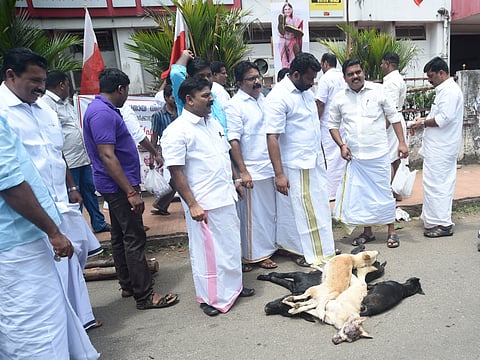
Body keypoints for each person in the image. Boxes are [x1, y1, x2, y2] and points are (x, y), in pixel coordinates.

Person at [0, 47, 103, 331]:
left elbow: (57, 153)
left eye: (43, 81)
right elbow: (10, 179)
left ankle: (79, 321)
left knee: (74, 260)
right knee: (46, 279)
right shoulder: (2, 112)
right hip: (28, 214)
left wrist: (71, 186)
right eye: (34, 81)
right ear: (11, 75)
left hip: (61, 201)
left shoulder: (45, 108)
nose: (41, 87)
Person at [0, 113, 99, 360]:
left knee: (37, 317)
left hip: (21, 236)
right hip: (17, 240)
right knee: (37, 325)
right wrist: (53, 231)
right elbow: (11, 185)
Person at [83, 68, 178, 310]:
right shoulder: (102, 114)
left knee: (119, 236)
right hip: (119, 186)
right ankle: (145, 295)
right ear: (120, 89)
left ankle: (128, 283)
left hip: (115, 185)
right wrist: (131, 192)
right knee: (134, 237)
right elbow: (107, 155)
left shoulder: (102, 110)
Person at [161, 77, 255, 317]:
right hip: (204, 203)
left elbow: (224, 156)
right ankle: (211, 298)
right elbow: (176, 171)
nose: (211, 99)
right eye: (205, 95)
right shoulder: (177, 131)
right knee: (209, 253)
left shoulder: (213, 123)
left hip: (225, 197)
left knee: (231, 246)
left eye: (210, 94)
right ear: (189, 100)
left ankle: (233, 288)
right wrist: (192, 204)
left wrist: (235, 181)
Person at [265, 52, 336, 267]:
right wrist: (279, 174)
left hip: (312, 160)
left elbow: (313, 128)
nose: (312, 82)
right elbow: (272, 137)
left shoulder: (305, 91)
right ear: (295, 74)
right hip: (296, 164)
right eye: (309, 78)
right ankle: (315, 253)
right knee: (307, 210)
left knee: (317, 206)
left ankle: (315, 246)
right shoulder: (278, 97)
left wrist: (321, 155)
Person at [329, 58, 409, 249]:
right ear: (345, 78)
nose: (355, 76)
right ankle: (368, 232)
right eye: (351, 74)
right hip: (356, 158)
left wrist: (402, 143)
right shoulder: (340, 98)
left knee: (384, 193)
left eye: (358, 72)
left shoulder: (378, 91)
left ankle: (391, 230)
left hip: (379, 154)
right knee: (362, 196)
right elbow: (332, 125)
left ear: (363, 72)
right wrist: (341, 145)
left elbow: (394, 117)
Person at [225, 61, 278, 271]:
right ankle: (253, 255)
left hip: (268, 166)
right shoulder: (234, 105)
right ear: (239, 83)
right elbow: (233, 140)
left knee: (267, 213)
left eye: (257, 77)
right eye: (251, 79)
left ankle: (269, 248)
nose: (257, 81)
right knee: (252, 216)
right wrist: (243, 171)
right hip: (251, 169)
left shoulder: (265, 100)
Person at [43, 70, 111, 233]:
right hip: (68, 161)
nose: (69, 88)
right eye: (67, 84)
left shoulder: (66, 102)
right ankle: (76, 231)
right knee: (73, 197)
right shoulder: (46, 104)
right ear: (61, 85)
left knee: (89, 192)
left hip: (82, 158)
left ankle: (98, 223)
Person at [409, 57, 464, 238]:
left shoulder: (450, 91)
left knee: (438, 185)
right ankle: (433, 218)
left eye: (431, 76)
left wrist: (423, 123)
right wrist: (423, 122)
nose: (429, 80)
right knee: (433, 184)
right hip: (439, 147)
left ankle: (443, 224)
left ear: (441, 73)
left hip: (443, 147)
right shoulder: (445, 90)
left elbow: (443, 119)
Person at [315, 53, 347, 200]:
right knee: (342, 155)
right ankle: (342, 189)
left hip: (328, 123)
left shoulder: (325, 79)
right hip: (343, 123)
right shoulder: (343, 76)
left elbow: (320, 103)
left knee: (330, 157)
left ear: (325, 63)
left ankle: (331, 192)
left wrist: (316, 121)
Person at [170, 50, 227, 133]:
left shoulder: (214, 98)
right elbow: (176, 74)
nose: (206, 79)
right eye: (201, 76)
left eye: (209, 75)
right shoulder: (186, 98)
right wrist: (184, 56)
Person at [380, 52, 407, 201]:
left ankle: (393, 190)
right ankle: (396, 190)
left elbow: (391, 108)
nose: (381, 66)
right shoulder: (395, 79)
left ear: (388, 64)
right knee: (395, 157)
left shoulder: (392, 82)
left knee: (390, 158)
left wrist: (383, 127)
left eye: (383, 63)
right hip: (395, 120)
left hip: (392, 122)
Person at [150, 84, 178, 216]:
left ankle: (162, 203)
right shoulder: (158, 115)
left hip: (183, 147)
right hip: (169, 150)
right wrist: (153, 155)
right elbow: (154, 136)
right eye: (172, 97)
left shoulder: (181, 111)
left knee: (177, 178)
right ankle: (162, 203)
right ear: (166, 98)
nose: (175, 100)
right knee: (177, 177)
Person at [278, 2, 304, 68]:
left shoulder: (296, 19)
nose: (287, 11)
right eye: (286, 9)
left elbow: (301, 31)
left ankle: (292, 28)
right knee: (284, 57)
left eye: (289, 9)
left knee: (293, 57)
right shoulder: (284, 19)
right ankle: (285, 27)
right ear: (283, 11)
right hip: (284, 39)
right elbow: (278, 33)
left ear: (292, 10)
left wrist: (298, 31)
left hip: (293, 40)